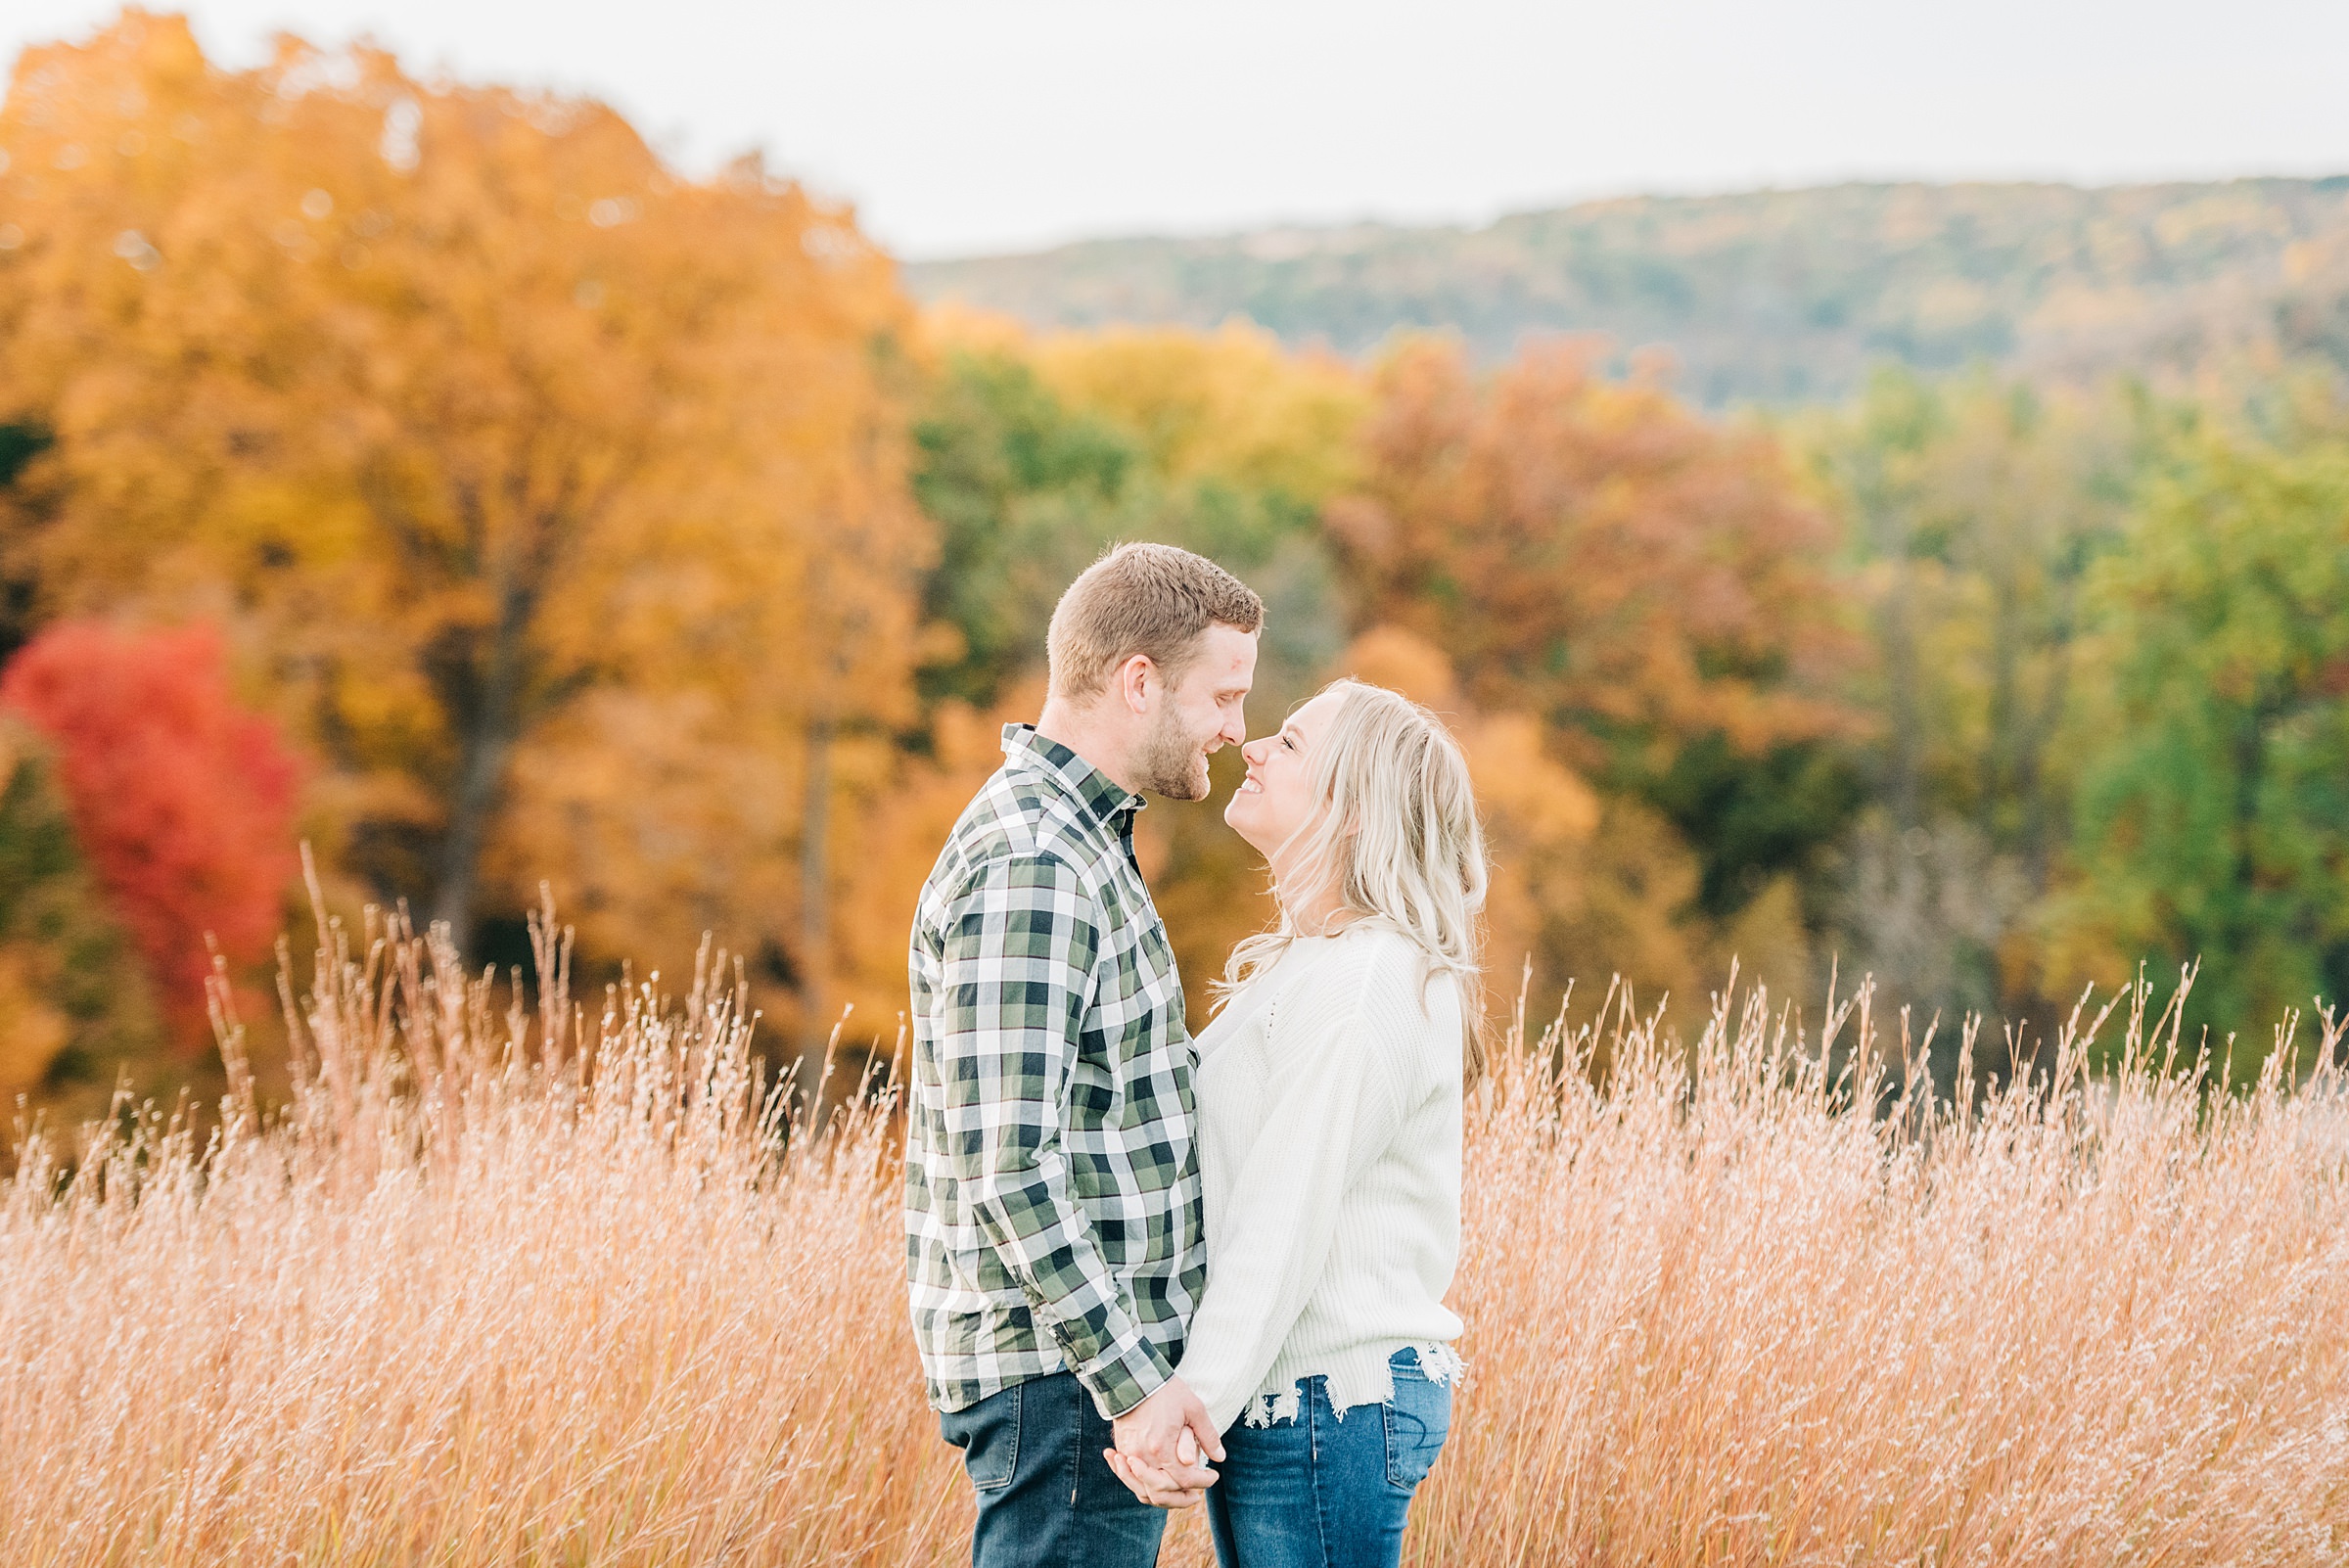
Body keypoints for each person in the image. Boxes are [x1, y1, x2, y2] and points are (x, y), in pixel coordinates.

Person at [904, 541, 1261, 1568]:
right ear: (1138, 681)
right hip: (1064, 1382)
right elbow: (1008, 1166)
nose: (1238, 731)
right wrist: (1133, 1387)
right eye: (1224, 696)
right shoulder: (1036, 863)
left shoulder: (1084, 839)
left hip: (1076, 1378)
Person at [1105, 678, 1487, 1568]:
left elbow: (1285, 1213)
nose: (1253, 747)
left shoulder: (1365, 985)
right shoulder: (1315, 965)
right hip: (1298, 1399)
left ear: (1354, 811)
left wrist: (1189, 1401)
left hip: (1328, 1399)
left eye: (1290, 743)